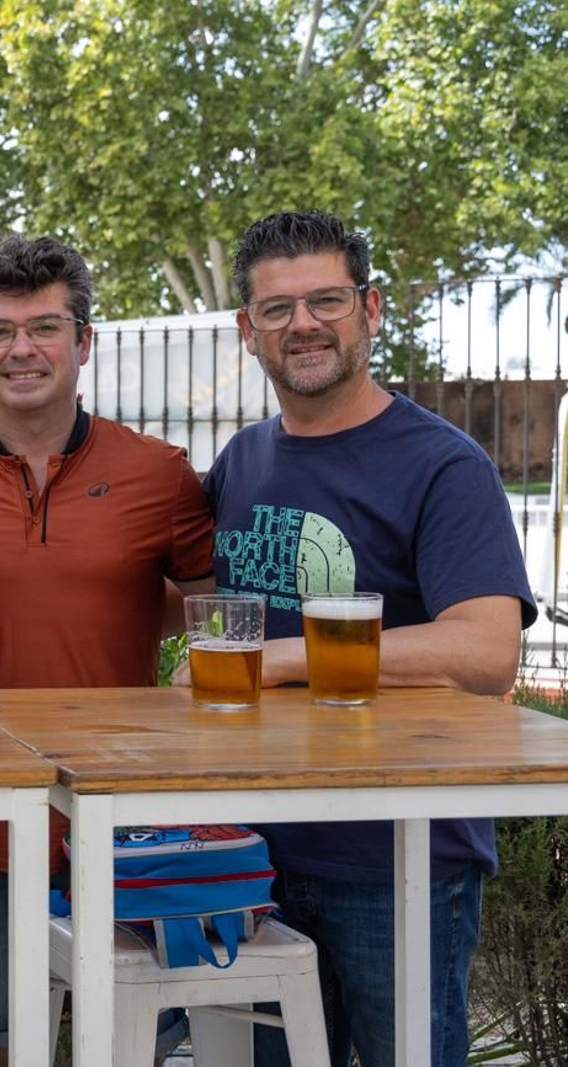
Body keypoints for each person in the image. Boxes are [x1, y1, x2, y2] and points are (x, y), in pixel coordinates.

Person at [0, 234, 216, 1064]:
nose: (21, 348)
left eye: (45, 327)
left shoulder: (161, 473)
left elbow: (215, 617)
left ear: (83, 341)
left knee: (145, 1036)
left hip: (130, 813)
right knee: (2, 1037)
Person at [203, 210, 534, 1067]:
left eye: (327, 300)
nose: (303, 323)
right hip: (255, 852)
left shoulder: (442, 463)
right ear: (248, 331)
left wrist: (287, 658)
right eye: (276, 309)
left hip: (398, 855)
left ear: (371, 309)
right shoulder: (241, 460)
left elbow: (486, 648)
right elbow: (186, 599)